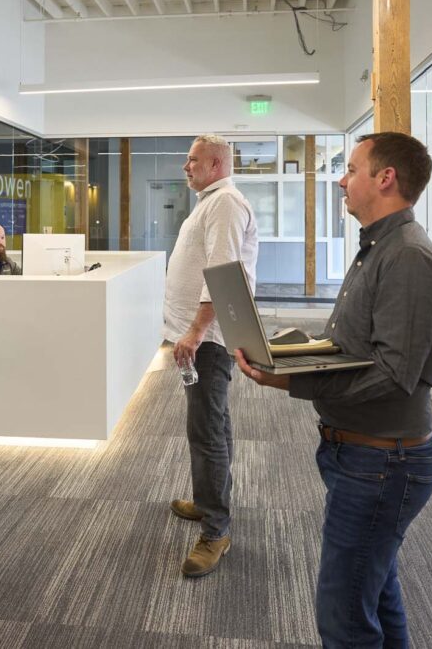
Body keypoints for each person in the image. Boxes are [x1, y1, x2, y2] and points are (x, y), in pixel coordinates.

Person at [235, 132, 432, 647]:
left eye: (351, 168)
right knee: (373, 592)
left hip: (383, 463)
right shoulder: (378, 249)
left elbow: (393, 374)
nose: (341, 178)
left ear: (385, 178)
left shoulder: (406, 258)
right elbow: (356, 347)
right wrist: (294, 359)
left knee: (344, 618)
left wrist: (295, 382)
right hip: (362, 455)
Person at [164, 134, 258, 577]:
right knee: (212, 427)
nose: (186, 166)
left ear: (217, 164)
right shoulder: (211, 201)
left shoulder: (224, 203)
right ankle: (208, 503)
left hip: (209, 341)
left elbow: (223, 273)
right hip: (204, 338)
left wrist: (196, 331)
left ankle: (216, 530)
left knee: (206, 432)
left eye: (193, 159)